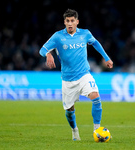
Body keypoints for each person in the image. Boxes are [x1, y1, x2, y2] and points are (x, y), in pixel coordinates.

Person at [39, 9, 113, 141]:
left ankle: (97, 130)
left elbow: (95, 43)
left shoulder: (85, 34)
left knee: (96, 97)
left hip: (84, 74)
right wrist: (48, 54)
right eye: (67, 21)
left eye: (72, 20)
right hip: (67, 79)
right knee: (69, 110)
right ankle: (74, 131)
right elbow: (42, 49)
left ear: (77, 22)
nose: (70, 23)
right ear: (64, 22)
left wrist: (106, 58)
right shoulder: (57, 36)